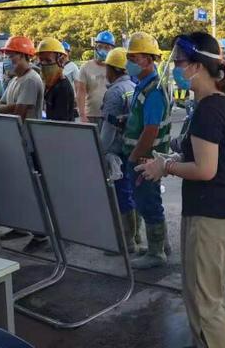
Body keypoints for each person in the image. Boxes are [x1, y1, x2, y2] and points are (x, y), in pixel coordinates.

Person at [138, 32, 225, 348]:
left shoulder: (210, 107)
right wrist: (170, 159)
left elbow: (206, 169)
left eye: (180, 63)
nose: (176, 69)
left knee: (205, 304)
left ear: (197, 66)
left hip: (211, 215)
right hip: (213, 210)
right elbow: (202, 156)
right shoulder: (213, 103)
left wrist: (165, 167)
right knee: (208, 296)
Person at [122, 33, 171, 270]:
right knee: (147, 200)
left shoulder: (153, 91)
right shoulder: (143, 86)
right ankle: (160, 245)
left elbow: (151, 130)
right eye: (129, 57)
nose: (130, 62)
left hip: (145, 158)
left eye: (135, 58)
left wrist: (133, 158)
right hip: (144, 156)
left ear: (149, 60)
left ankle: (156, 252)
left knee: (148, 202)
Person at [99, 47, 138, 253]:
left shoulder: (114, 92)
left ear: (112, 69)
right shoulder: (132, 86)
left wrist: (100, 150)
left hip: (116, 151)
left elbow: (109, 127)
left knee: (122, 195)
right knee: (130, 192)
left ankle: (126, 242)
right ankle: (135, 236)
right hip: (130, 148)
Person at [0, 36, 43, 121]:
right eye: (5, 57)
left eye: (10, 56)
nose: (7, 60)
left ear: (22, 55)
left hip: (25, 130)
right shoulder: (13, 80)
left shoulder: (30, 80)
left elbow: (18, 115)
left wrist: (9, 107)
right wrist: (14, 106)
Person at [77, 31, 114, 125]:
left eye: (107, 47)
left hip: (110, 116)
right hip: (90, 115)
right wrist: (82, 115)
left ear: (112, 50)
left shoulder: (115, 68)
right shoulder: (86, 67)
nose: (103, 50)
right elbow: (81, 92)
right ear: (95, 47)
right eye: (100, 46)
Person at [36, 37, 75, 122]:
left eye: (48, 61)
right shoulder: (51, 84)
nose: (43, 64)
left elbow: (59, 124)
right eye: (41, 60)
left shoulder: (62, 88)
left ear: (60, 61)